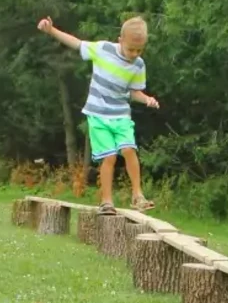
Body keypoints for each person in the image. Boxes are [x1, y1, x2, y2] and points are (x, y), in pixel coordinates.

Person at [37, 15, 159, 215]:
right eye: (131, 49)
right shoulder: (103, 49)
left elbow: (134, 92)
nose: (134, 54)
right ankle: (106, 201)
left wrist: (147, 99)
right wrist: (51, 31)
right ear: (120, 40)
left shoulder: (138, 65)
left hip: (121, 115)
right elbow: (76, 43)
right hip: (98, 115)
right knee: (109, 157)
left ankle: (137, 195)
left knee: (129, 149)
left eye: (139, 50)